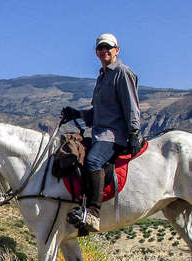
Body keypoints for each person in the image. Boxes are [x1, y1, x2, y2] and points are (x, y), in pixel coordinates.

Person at [61, 33, 143, 232]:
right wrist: (78, 113)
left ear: (117, 50)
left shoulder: (122, 72)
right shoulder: (102, 76)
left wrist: (134, 132)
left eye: (108, 47)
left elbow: (131, 104)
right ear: (96, 52)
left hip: (114, 134)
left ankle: (94, 214)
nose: (104, 51)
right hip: (100, 132)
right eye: (101, 48)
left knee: (93, 161)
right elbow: (99, 113)